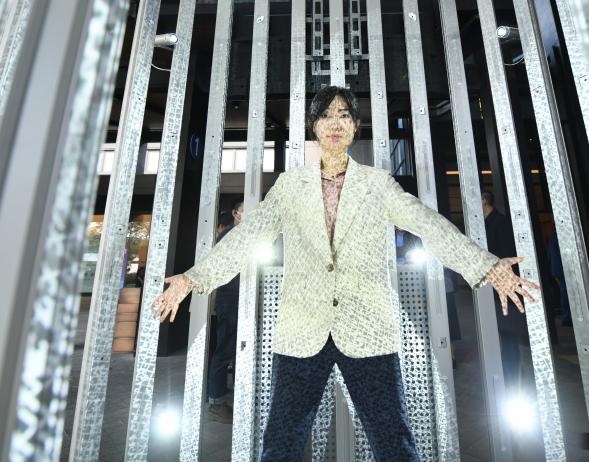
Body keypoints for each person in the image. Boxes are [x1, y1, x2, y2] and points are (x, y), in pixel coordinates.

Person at [152, 86, 539, 461]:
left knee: (394, 443)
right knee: (280, 445)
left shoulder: (377, 183)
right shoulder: (290, 185)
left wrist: (486, 265)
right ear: (314, 127)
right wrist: (194, 277)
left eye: (343, 115)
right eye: (325, 115)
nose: (335, 123)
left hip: (368, 328)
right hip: (302, 329)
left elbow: (428, 224)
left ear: (355, 126)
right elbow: (247, 236)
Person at [481, 190, 528, 390]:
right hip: (495, 285)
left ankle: (512, 377)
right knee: (502, 333)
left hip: (504, 285)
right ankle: (507, 374)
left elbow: (506, 254)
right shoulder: (487, 223)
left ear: (485, 200)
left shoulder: (500, 223)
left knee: (508, 335)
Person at [207, 204, 244, 423]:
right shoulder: (229, 236)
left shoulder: (245, 234)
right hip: (230, 299)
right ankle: (217, 403)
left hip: (240, 299)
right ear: (235, 213)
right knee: (225, 349)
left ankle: (238, 400)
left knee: (239, 350)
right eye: (244, 209)